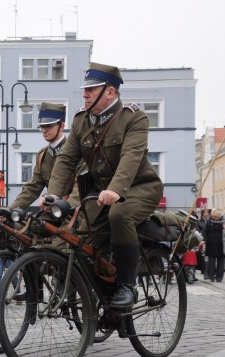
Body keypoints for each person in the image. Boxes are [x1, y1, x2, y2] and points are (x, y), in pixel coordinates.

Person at [45, 62, 163, 309]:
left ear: (110, 92)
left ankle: (126, 287)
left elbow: (131, 157)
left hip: (139, 187)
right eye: (84, 90)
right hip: (99, 192)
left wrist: (116, 190)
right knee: (78, 233)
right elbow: (67, 159)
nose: (85, 94)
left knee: (119, 215)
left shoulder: (134, 118)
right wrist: (53, 194)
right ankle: (94, 291)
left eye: (92, 89)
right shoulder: (81, 121)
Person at [11, 103, 81, 210]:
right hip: (51, 208)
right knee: (31, 225)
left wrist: (66, 206)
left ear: (61, 126)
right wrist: (10, 209)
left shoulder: (75, 151)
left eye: (49, 126)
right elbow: (32, 188)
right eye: (42, 126)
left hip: (73, 209)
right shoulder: (43, 155)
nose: (44, 130)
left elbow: (79, 187)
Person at [200, 209, 225, 282]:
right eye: (213, 216)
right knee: (211, 262)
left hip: (221, 244)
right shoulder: (209, 222)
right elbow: (204, 232)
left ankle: (219, 277)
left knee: (221, 262)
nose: (215, 218)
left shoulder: (224, 222)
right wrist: (203, 240)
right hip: (211, 244)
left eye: (216, 217)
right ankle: (211, 276)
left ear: (219, 216)